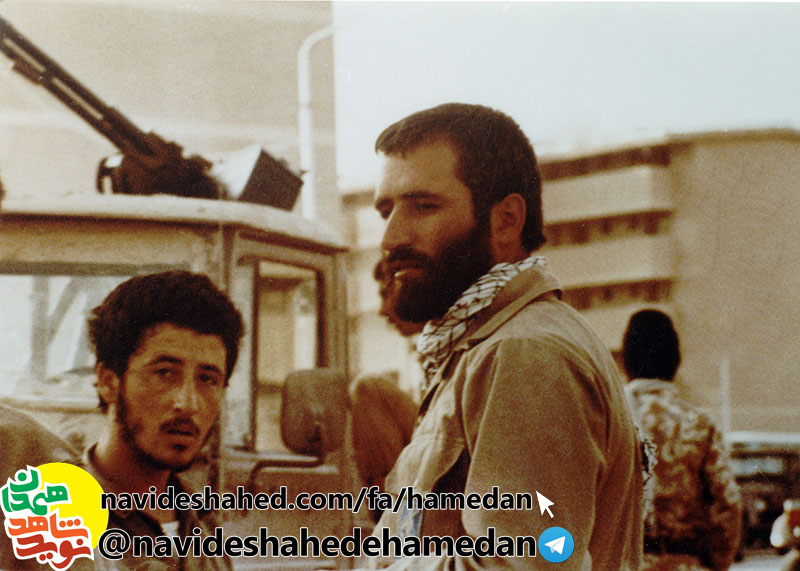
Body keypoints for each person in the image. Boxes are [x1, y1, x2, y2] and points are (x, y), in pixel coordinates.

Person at [368, 102, 643, 569]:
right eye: (386, 211)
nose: (391, 238)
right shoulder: (478, 349)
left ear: (506, 220)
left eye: (423, 206)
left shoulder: (524, 353)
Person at [85, 270, 244, 570]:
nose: (187, 404)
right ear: (108, 382)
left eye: (207, 379)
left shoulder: (202, 523)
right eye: (164, 373)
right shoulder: (60, 524)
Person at [622, 309, 741, 571]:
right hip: (685, 562)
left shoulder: (609, 420)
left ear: (626, 361)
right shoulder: (699, 424)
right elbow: (726, 507)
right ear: (675, 360)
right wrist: (714, 563)